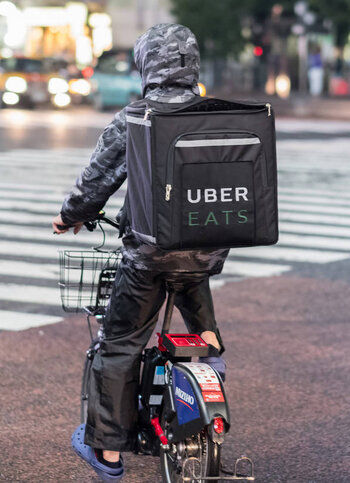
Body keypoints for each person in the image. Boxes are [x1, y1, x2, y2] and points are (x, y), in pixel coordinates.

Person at [52, 24, 227, 482]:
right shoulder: (218, 114)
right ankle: (211, 371)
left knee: (120, 345)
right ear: (192, 64)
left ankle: (107, 454)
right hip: (205, 252)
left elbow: (96, 183)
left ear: (146, 65)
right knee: (201, 327)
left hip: (149, 258)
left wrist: (70, 216)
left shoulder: (137, 117)